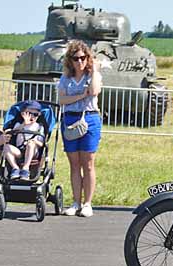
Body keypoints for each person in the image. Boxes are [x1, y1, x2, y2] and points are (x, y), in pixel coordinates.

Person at [58, 40, 102, 218]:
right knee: (74, 164)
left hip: (89, 117)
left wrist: (95, 71)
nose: (80, 62)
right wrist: (80, 95)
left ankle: (87, 203)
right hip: (70, 118)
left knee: (88, 163)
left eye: (83, 58)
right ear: (70, 60)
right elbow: (62, 100)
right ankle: (76, 202)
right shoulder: (66, 78)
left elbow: (94, 92)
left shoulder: (93, 76)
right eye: (76, 58)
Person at [3, 100, 44, 180]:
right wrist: (24, 124)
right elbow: (12, 132)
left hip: (33, 152)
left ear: (39, 115)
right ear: (23, 114)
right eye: (29, 114)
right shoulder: (19, 124)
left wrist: (34, 141)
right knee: (6, 147)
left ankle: (26, 168)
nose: (32, 117)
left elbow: (41, 144)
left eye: (35, 114)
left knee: (31, 144)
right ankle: (15, 168)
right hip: (19, 150)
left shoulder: (39, 127)